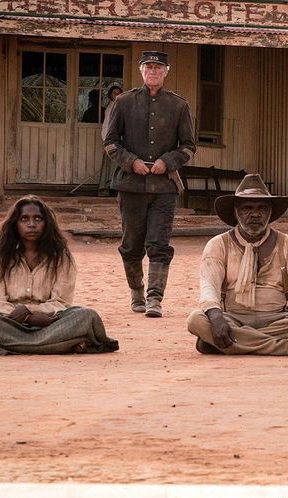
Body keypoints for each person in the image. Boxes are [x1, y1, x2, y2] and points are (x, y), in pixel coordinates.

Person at [0, 195, 119, 355]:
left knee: (87, 316)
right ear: (15, 224)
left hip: (50, 322)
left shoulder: (61, 255)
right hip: (9, 322)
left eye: (38, 218)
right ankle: (59, 345)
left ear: (46, 223)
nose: (31, 224)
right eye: (24, 219)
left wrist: (31, 311)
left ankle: (1, 345)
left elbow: (62, 302)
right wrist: (26, 318)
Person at [187, 174, 288, 356]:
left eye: (262, 208)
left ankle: (223, 344)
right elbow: (209, 288)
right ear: (236, 212)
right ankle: (287, 347)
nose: (255, 213)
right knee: (196, 320)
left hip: (277, 319)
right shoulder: (218, 245)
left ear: (270, 213)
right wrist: (215, 318)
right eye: (247, 208)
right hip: (232, 319)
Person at [104, 51, 195, 318]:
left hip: (164, 188)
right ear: (141, 70)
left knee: (159, 243)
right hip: (130, 187)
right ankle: (136, 294)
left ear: (166, 71)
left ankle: (155, 298)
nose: (153, 71)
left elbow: (188, 147)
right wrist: (131, 162)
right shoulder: (123, 102)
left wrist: (168, 161)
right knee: (132, 244)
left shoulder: (179, 106)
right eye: (148, 67)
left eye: (158, 67)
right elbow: (110, 143)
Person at [97, 84, 123, 197]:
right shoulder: (110, 108)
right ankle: (105, 188)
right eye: (114, 93)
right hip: (111, 140)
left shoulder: (121, 107)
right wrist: (105, 141)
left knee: (118, 164)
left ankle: (115, 188)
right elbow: (106, 126)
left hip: (120, 141)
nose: (117, 95)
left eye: (119, 93)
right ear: (110, 96)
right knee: (109, 165)